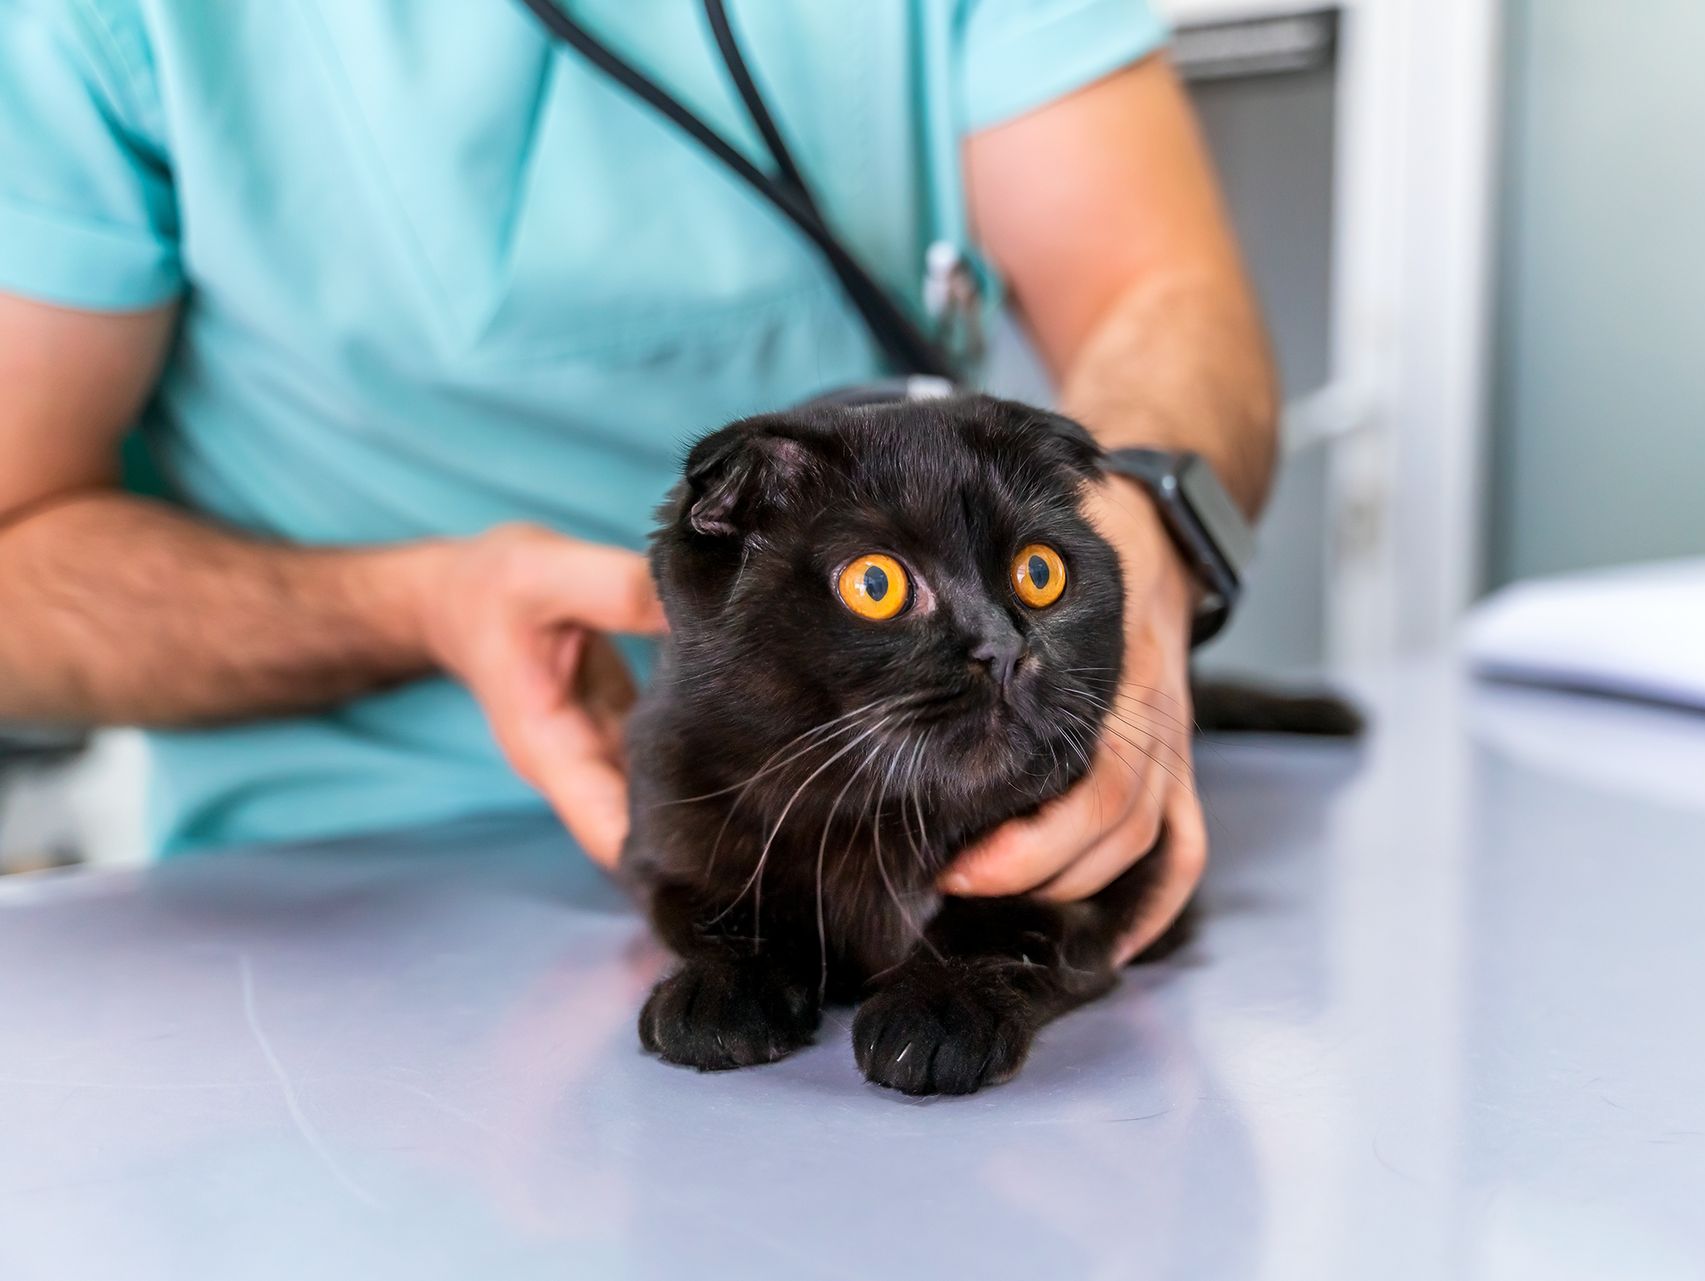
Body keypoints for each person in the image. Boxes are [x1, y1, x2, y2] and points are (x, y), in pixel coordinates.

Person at [0, 0, 1278, 960]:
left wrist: (1142, 527)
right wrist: (415, 610)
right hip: (336, 906)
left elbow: (1161, 293)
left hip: (953, 836)